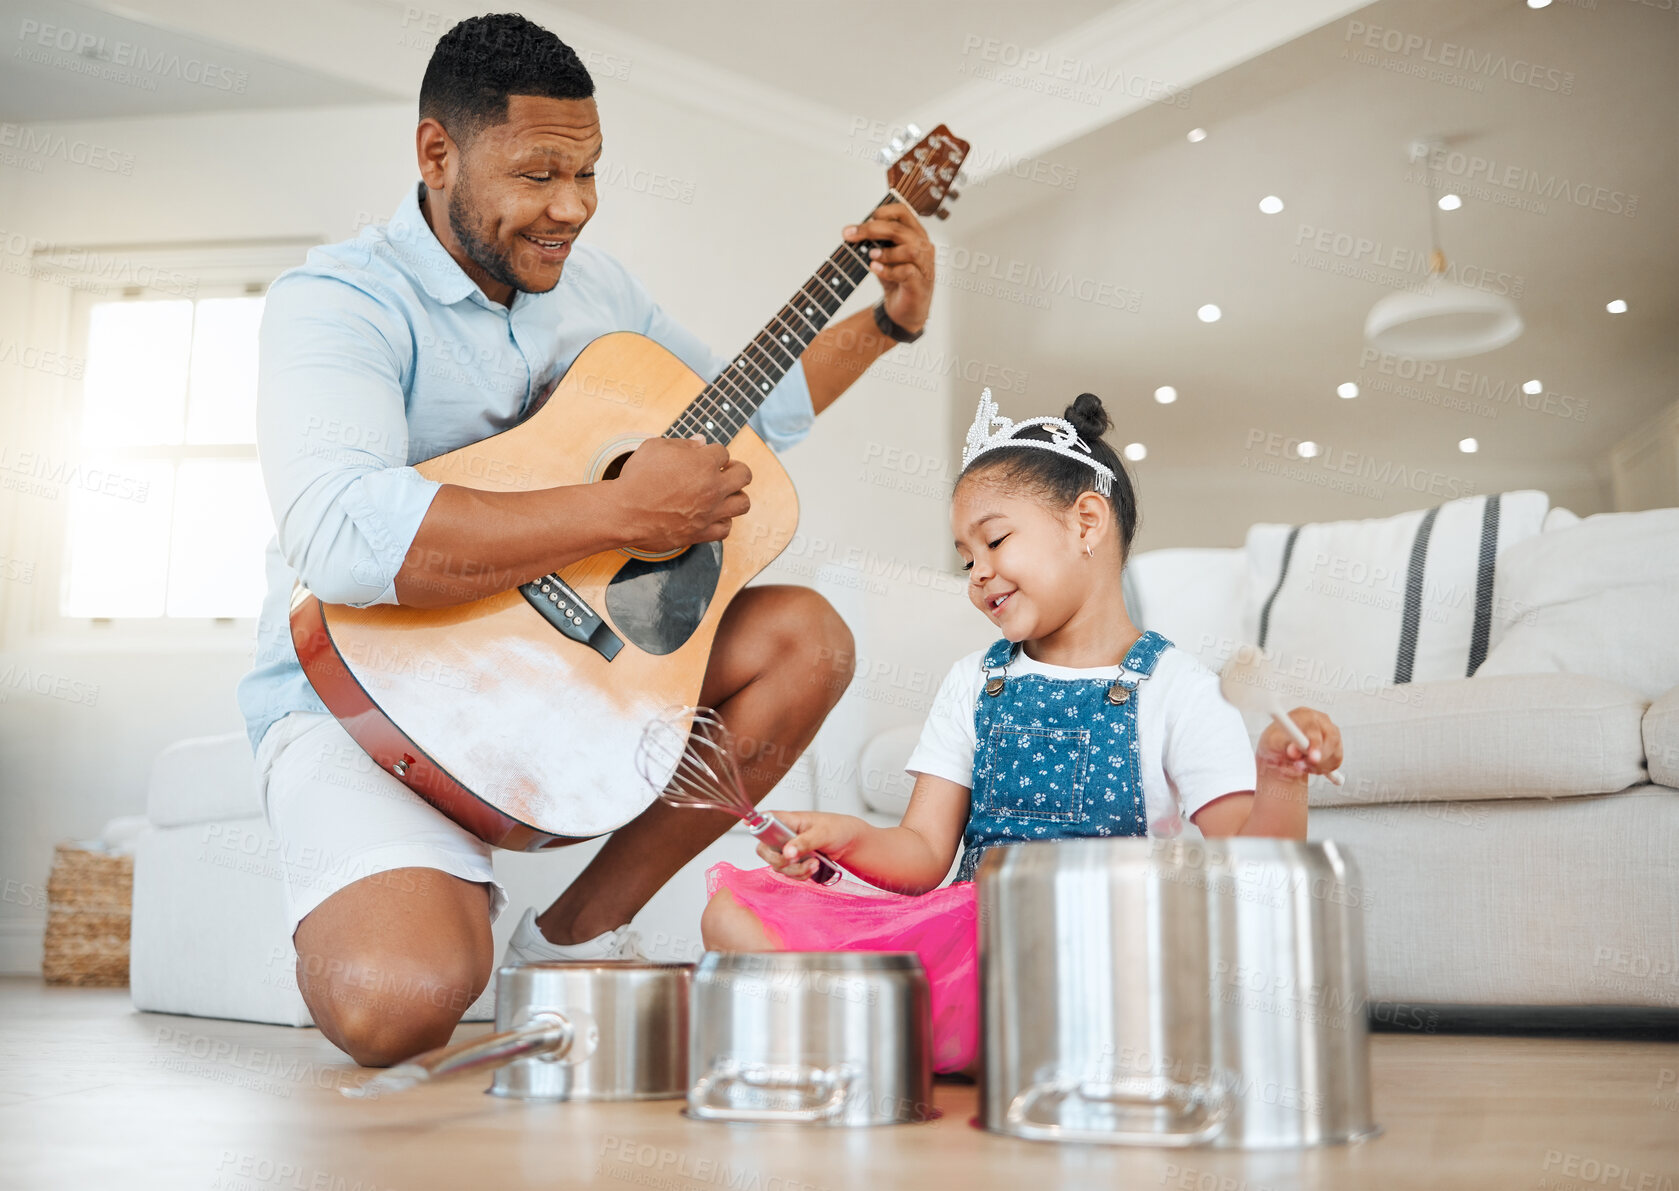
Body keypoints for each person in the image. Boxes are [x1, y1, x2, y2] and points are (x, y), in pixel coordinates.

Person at [235, 14, 936, 1067]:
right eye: (538, 173)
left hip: (562, 682)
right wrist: (619, 512)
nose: (571, 207)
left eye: (589, 173)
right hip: (371, 708)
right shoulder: (337, 301)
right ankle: (419, 893)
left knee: (809, 638)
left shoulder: (599, 294)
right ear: (437, 155)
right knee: (399, 1006)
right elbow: (339, 533)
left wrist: (883, 325)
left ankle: (561, 943)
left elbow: (754, 412)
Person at [701, 389, 1344, 1073]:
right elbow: (921, 852)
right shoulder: (974, 681)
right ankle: (929, 1032)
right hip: (972, 937)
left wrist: (1280, 776)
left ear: (1086, 522)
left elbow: (1253, 871)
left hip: (1103, 954)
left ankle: (884, 1031)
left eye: (996, 539)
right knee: (731, 914)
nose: (978, 574)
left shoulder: (1179, 688)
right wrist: (844, 837)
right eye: (965, 558)